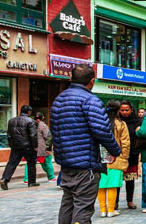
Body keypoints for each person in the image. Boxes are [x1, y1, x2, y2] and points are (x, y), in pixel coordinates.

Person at [51, 64, 121, 224]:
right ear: (92, 81)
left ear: (70, 78)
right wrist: (115, 151)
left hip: (66, 164)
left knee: (67, 205)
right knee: (83, 208)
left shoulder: (58, 100)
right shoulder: (90, 100)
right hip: (85, 165)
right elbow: (102, 131)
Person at [98, 100, 130, 218]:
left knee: (101, 185)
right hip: (116, 159)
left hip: (101, 159)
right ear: (118, 111)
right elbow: (125, 144)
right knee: (112, 185)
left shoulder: (100, 123)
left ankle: (102, 210)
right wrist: (125, 158)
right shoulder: (121, 124)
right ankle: (111, 210)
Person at [0, 105, 39, 190]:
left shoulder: (11, 120)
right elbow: (33, 135)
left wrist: (11, 144)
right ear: (29, 112)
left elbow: (9, 134)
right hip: (27, 145)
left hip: (15, 146)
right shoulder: (30, 121)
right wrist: (35, 146)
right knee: (31, 163)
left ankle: (5, 179)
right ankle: (31, 181)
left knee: (12, 163)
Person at [116, 101, 141, 210]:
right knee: (116, 180)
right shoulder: (117, 121)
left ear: (131, 110)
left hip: (132, 154)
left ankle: (129, 201)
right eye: (122, 110)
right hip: (118, 155)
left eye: (127, 110)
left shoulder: (137, 122)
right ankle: (115, 202)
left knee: (130, 180)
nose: (124, 112)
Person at [25, 112, 56, 183]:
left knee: (29, 163)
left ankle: (26, 179)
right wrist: (48, 147)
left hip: (32, 147)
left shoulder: (30, 124)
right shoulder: (43, 126)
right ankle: (51, 177)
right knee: (48, 162)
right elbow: (48, 137)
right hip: (42, 148)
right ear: (42, 118)